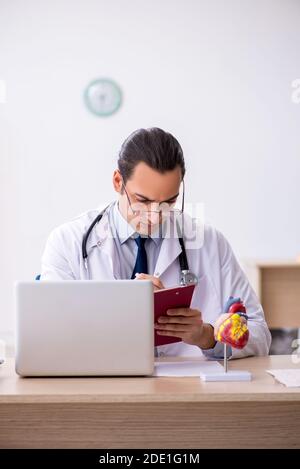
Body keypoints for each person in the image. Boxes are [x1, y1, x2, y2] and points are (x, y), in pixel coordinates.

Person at [40, 127, 271, 358]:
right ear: (118, 181)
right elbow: (49, 337)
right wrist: (120, 310)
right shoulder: (68, 242)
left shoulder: (210, 243)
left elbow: (259, 334)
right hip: (102, 388)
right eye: (143, 200)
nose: (155, 215)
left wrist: (207, 336)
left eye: (169, 201)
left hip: (188, 391)